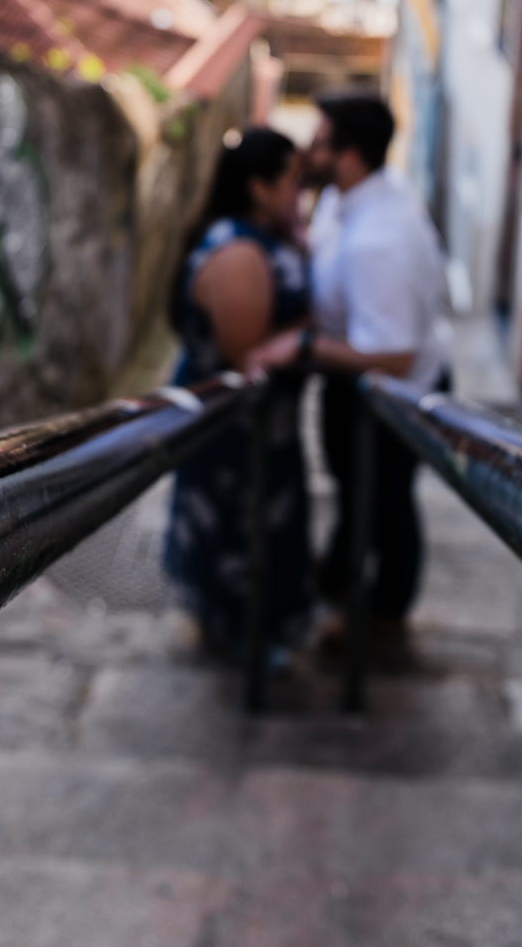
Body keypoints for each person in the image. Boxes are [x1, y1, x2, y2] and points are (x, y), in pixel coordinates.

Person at [248, 92, 449, 634]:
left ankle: (385, 615)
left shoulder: (378, 242)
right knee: (351, 485)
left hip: (391, 389)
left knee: (385, 500)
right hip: (352, 373)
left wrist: (304, 349)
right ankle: (338, 576)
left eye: (318, 142)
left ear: (350, 156)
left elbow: (394, 356)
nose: (307, 151)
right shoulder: (347, 196)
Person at [163, 127, 312, 658]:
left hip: (263, 434)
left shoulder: (259, 237)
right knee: (238, 542)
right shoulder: (239, 254)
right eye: (292, 181)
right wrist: (318, 329)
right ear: (258, 187)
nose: (301, 191)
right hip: (236, 436)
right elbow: (247, 351)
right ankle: (238, 642)